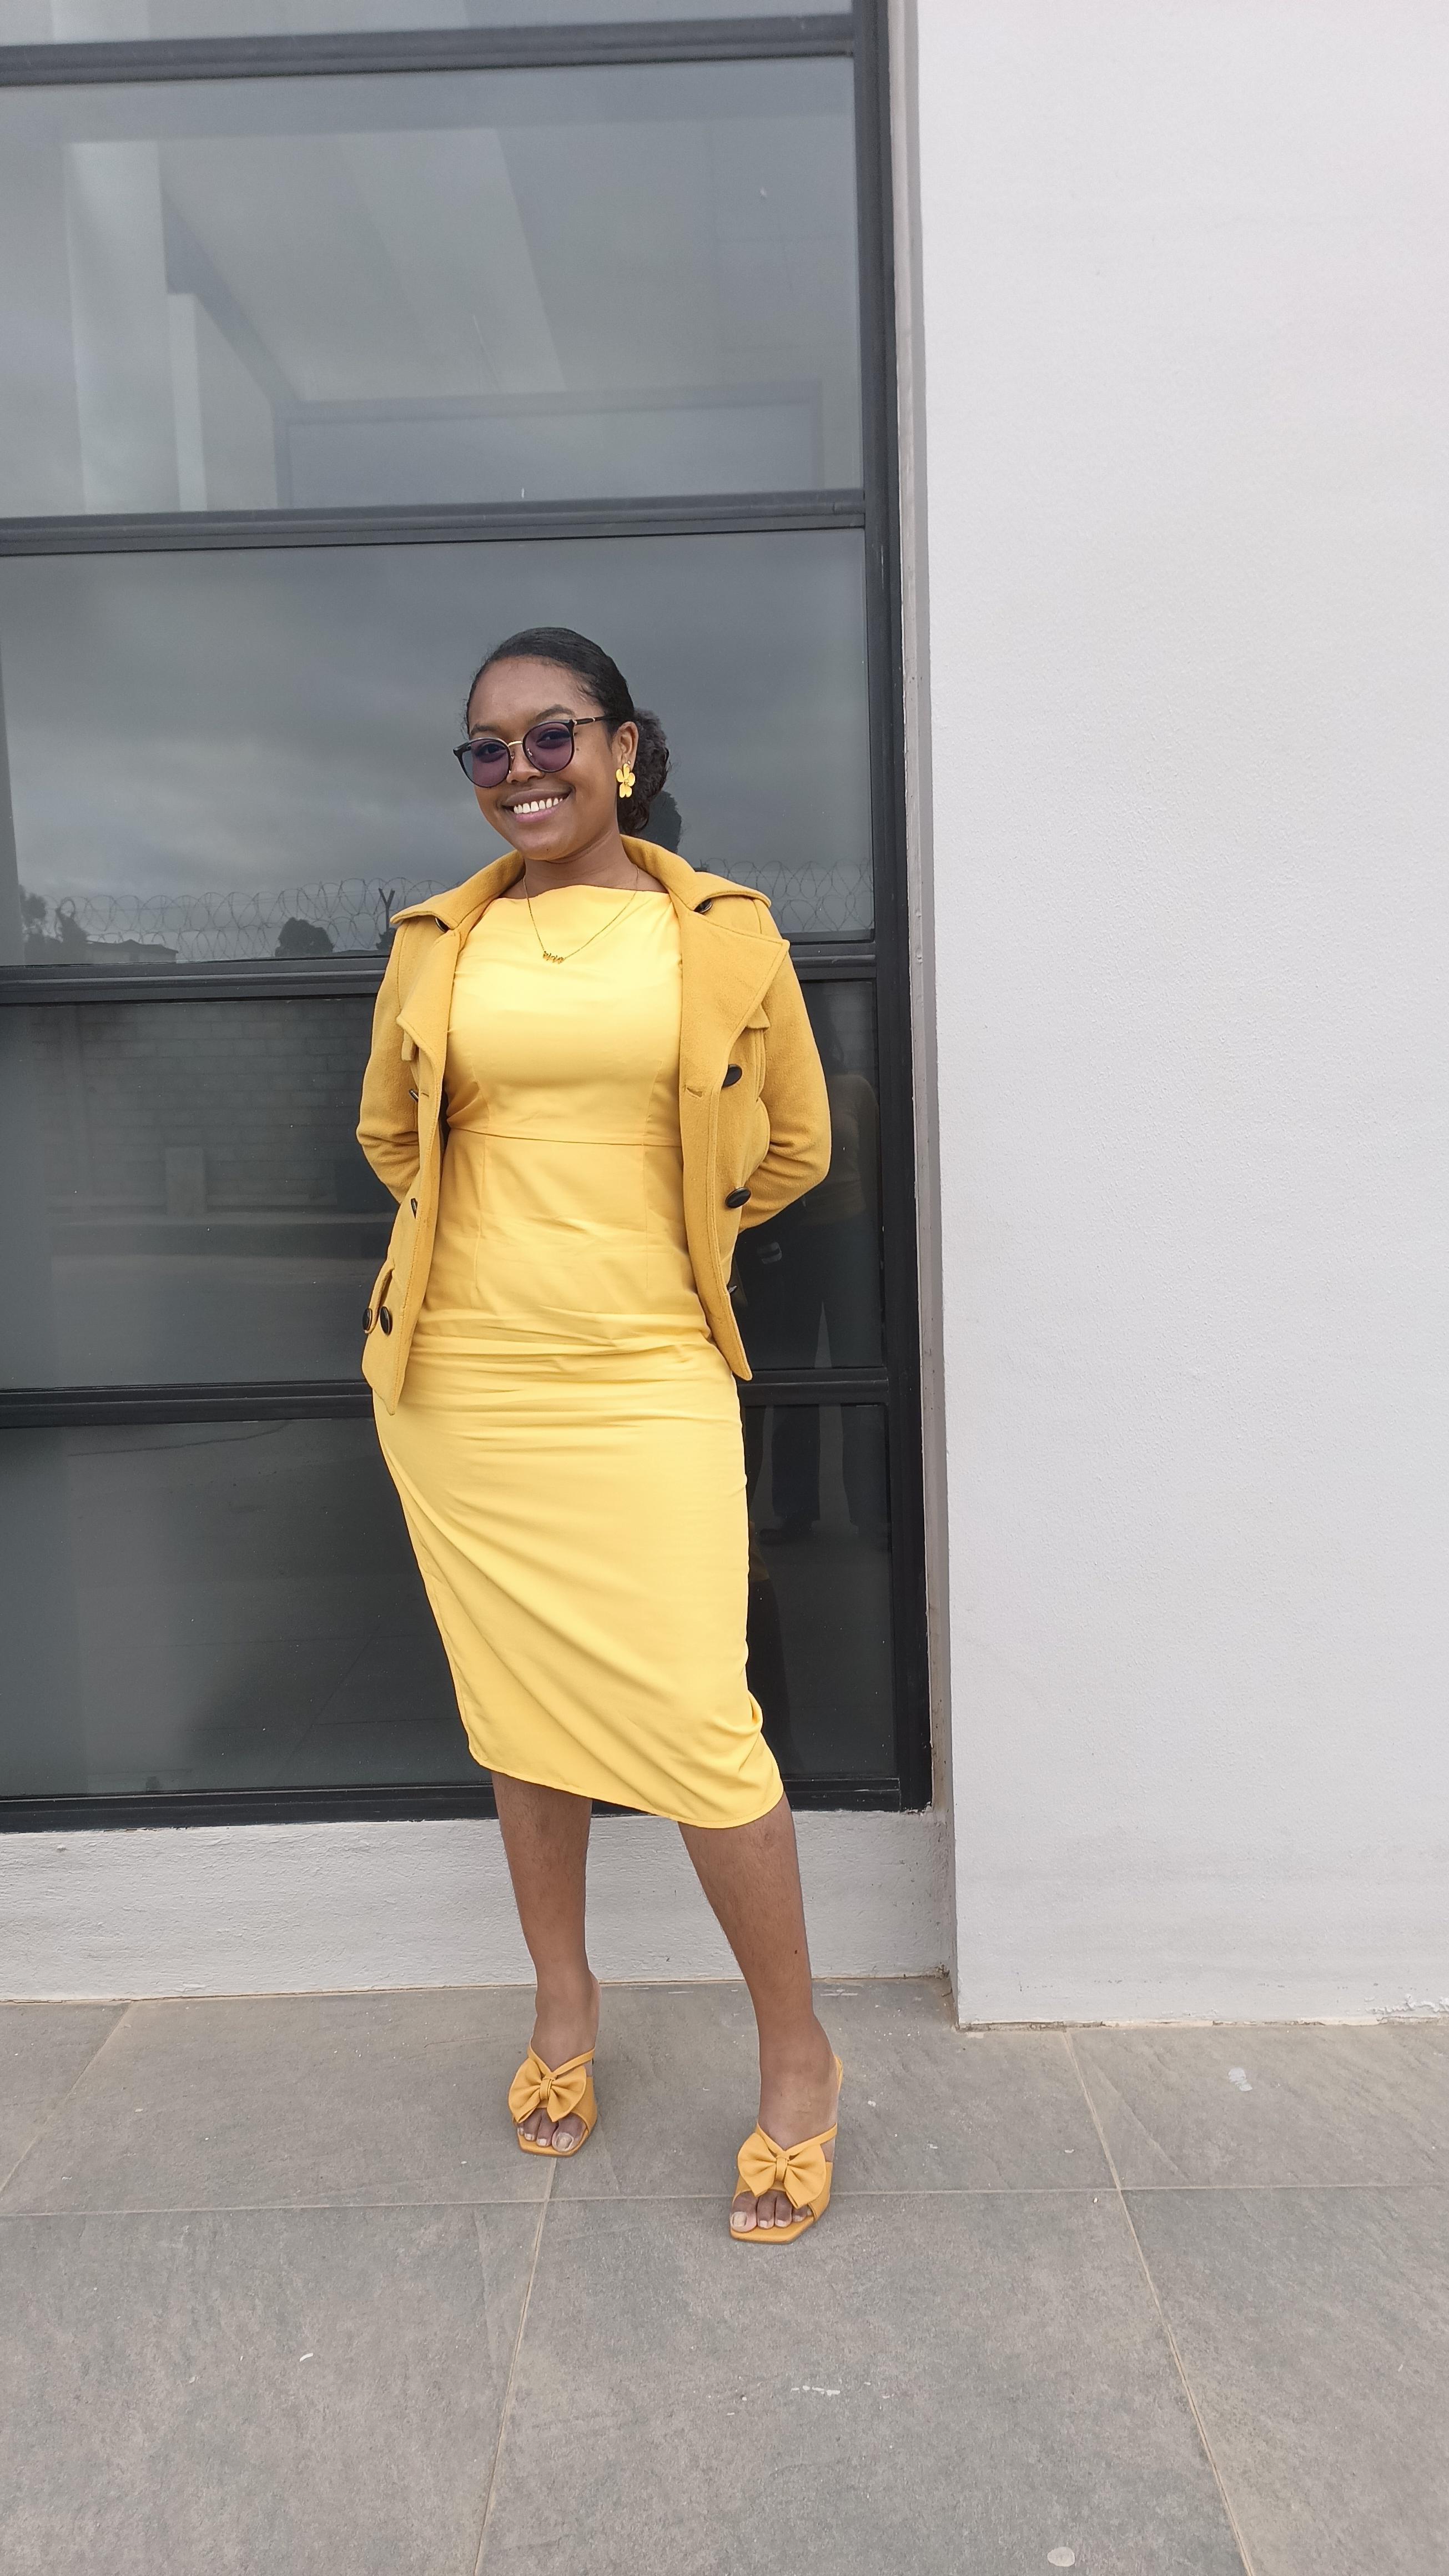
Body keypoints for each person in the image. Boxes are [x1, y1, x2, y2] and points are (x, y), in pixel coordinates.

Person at [357, 627, 842, 2242]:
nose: (521, 773)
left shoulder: (725, 935)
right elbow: (391, 1137)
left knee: (701, 1725)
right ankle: (562, 2005)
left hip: (646, 1371)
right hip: (462, 1385)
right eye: (486, 749)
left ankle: (799, 2056)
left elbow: (790, 1145)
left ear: (623, 749)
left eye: (550, 737)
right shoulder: (437, 941)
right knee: (520, 1714)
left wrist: (657, 1239)